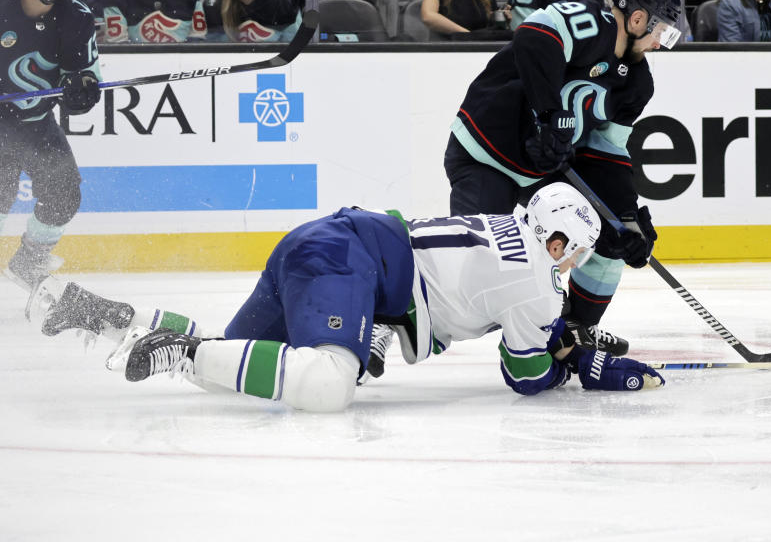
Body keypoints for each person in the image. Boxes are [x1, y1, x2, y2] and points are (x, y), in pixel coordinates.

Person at [30, 183, 666, 413]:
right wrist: (578, 367)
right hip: (348, 261)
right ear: (556, 242)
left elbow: (467, 301)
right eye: (575, 252)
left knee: (239, 366)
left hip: (331, 245)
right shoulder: (533, 276)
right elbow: (524, 376)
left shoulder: (507, 233)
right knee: (330, 384)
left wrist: (563, 346)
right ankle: (182, 350)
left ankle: (109, 318)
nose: (574, 265)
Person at [445, 0, 682, 355]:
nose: (661, 43)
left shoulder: (638, 83)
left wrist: (626, 213)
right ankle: (398, 315)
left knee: (615, 237)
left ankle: (576, 328)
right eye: (664, 32)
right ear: (639, 19)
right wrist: (548, 116)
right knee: (480, 265)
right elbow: (532, 36)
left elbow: (607, 150)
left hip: (546, 165)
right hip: (486, 153)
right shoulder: (589, 22)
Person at [0, 0, 102, 290]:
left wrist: (81, 91)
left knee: (64, 194)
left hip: (37, 122)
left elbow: (86, 79)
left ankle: (28, 263)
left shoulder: (75, 16)